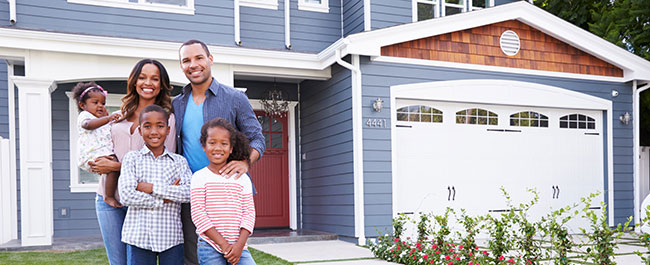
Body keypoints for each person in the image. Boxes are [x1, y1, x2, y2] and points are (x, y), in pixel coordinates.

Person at [173, 39, 265, 265]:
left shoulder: (234, 98)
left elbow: (257, 138)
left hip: (227, 193)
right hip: (191, 192)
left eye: (198, 58)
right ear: (181, 66)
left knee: (234, 255)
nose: (193, 64)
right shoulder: (177, 103)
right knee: (195, 258)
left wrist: (246, 162)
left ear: (210, 59)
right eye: (186, 60)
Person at [89, 59, 177, 265]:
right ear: (134, 81)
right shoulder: (119, 114)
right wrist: (96, 161)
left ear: (162, 84)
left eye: (155, 78)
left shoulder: (167, 119)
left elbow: (163, 164)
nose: (148, 83)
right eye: (142, 77)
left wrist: (116, 167)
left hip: (140, 201)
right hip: (107, 199)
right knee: (117, 262)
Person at [118, 105, 191, 265]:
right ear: (139, 130)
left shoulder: (179, 162)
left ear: (168, 129)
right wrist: (165, 198)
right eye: (147, 126)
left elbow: (188, 193)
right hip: (139, 237)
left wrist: (151, 188)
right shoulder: (132, 159)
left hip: (170, 237)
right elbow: (126, 195)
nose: (154, 132)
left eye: (160, 126)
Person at [191, 118, 256, 265]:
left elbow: (249, 213)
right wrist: (224, 245)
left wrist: (239, 246)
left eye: (224, 143)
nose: (218, 148)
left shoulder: (242, 178)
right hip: (209, 246)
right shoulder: (199, 177)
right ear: (203, 146)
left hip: (239, 246)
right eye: (212, 143)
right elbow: (198, 214)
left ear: (231, 148)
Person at [72, 82, 122, 208]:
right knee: (113, 165)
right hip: (91, 153)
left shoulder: (101, 119)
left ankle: (109, 194)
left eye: (103, 103)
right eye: (95, 103)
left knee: (112, 166)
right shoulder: (85, 116)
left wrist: (107, 118)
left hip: (101, 152)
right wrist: (108, 118)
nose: (100, 106)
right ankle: (108, 196)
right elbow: (88, 125)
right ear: (83, 105)